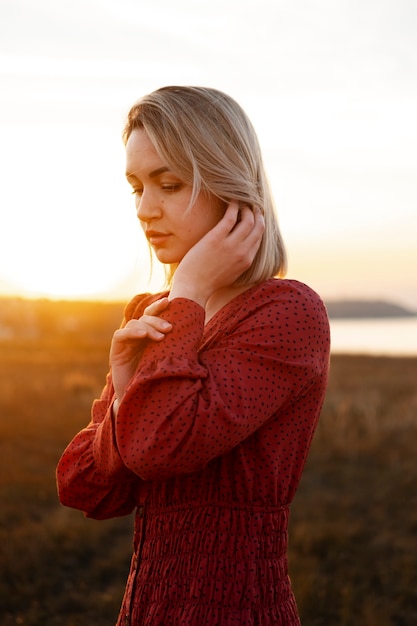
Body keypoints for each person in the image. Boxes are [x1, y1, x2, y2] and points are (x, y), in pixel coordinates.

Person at [56, 86, 330, 626]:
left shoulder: (287, 313)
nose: (143, 208)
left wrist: (191, 289)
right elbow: (85, 487)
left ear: (230, 186)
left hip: (239, 613)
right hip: (142, 611)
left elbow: (161, 447)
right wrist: (121, 391)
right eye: (135, 186)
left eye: (169, 183)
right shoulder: (155, 310)